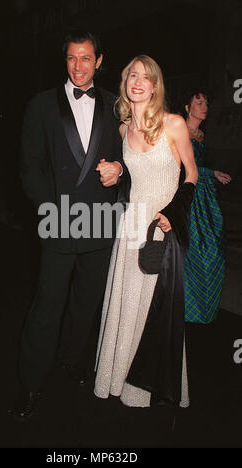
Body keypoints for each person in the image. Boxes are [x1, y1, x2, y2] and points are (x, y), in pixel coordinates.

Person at [10, 30, 127, 421]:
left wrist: (121, 170)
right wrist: (51, 212)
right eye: (72, 58)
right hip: (59, 221)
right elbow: (30, 166)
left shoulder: (114, 106)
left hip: (100, 222)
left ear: (99, 60)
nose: (79, 66)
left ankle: (73, 358)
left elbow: (132, 160)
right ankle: (29, 382)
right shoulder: (41, 105)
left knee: (86, 302)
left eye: (86, 58)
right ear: (65, 60)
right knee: (47, 305)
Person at [94, 55, 198, 408]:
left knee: (156, 309)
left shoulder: (174, 124)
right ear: (125, 83)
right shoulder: (123, 128)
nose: (138, 81)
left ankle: (147, 386)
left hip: (159, 228)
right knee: (126, 303)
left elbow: (192, 174)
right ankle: (117, 378)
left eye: (146, 77)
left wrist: (173, 212)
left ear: (156, 85)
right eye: (132, 75)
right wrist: (116, 169)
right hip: (130, 227)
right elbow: (127, 172)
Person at [183, 91, 231, 323]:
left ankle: (202, 307)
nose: (204, 107)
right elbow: (183, 166)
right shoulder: (179, 129)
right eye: (199, 103)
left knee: (214, 250)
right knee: (194, 251)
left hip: (204, 195)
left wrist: (212, 176)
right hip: (187, 194)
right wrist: (211, 173)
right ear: (187, 107)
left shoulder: (201, 134)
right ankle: (182, 306)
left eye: (206, 103)